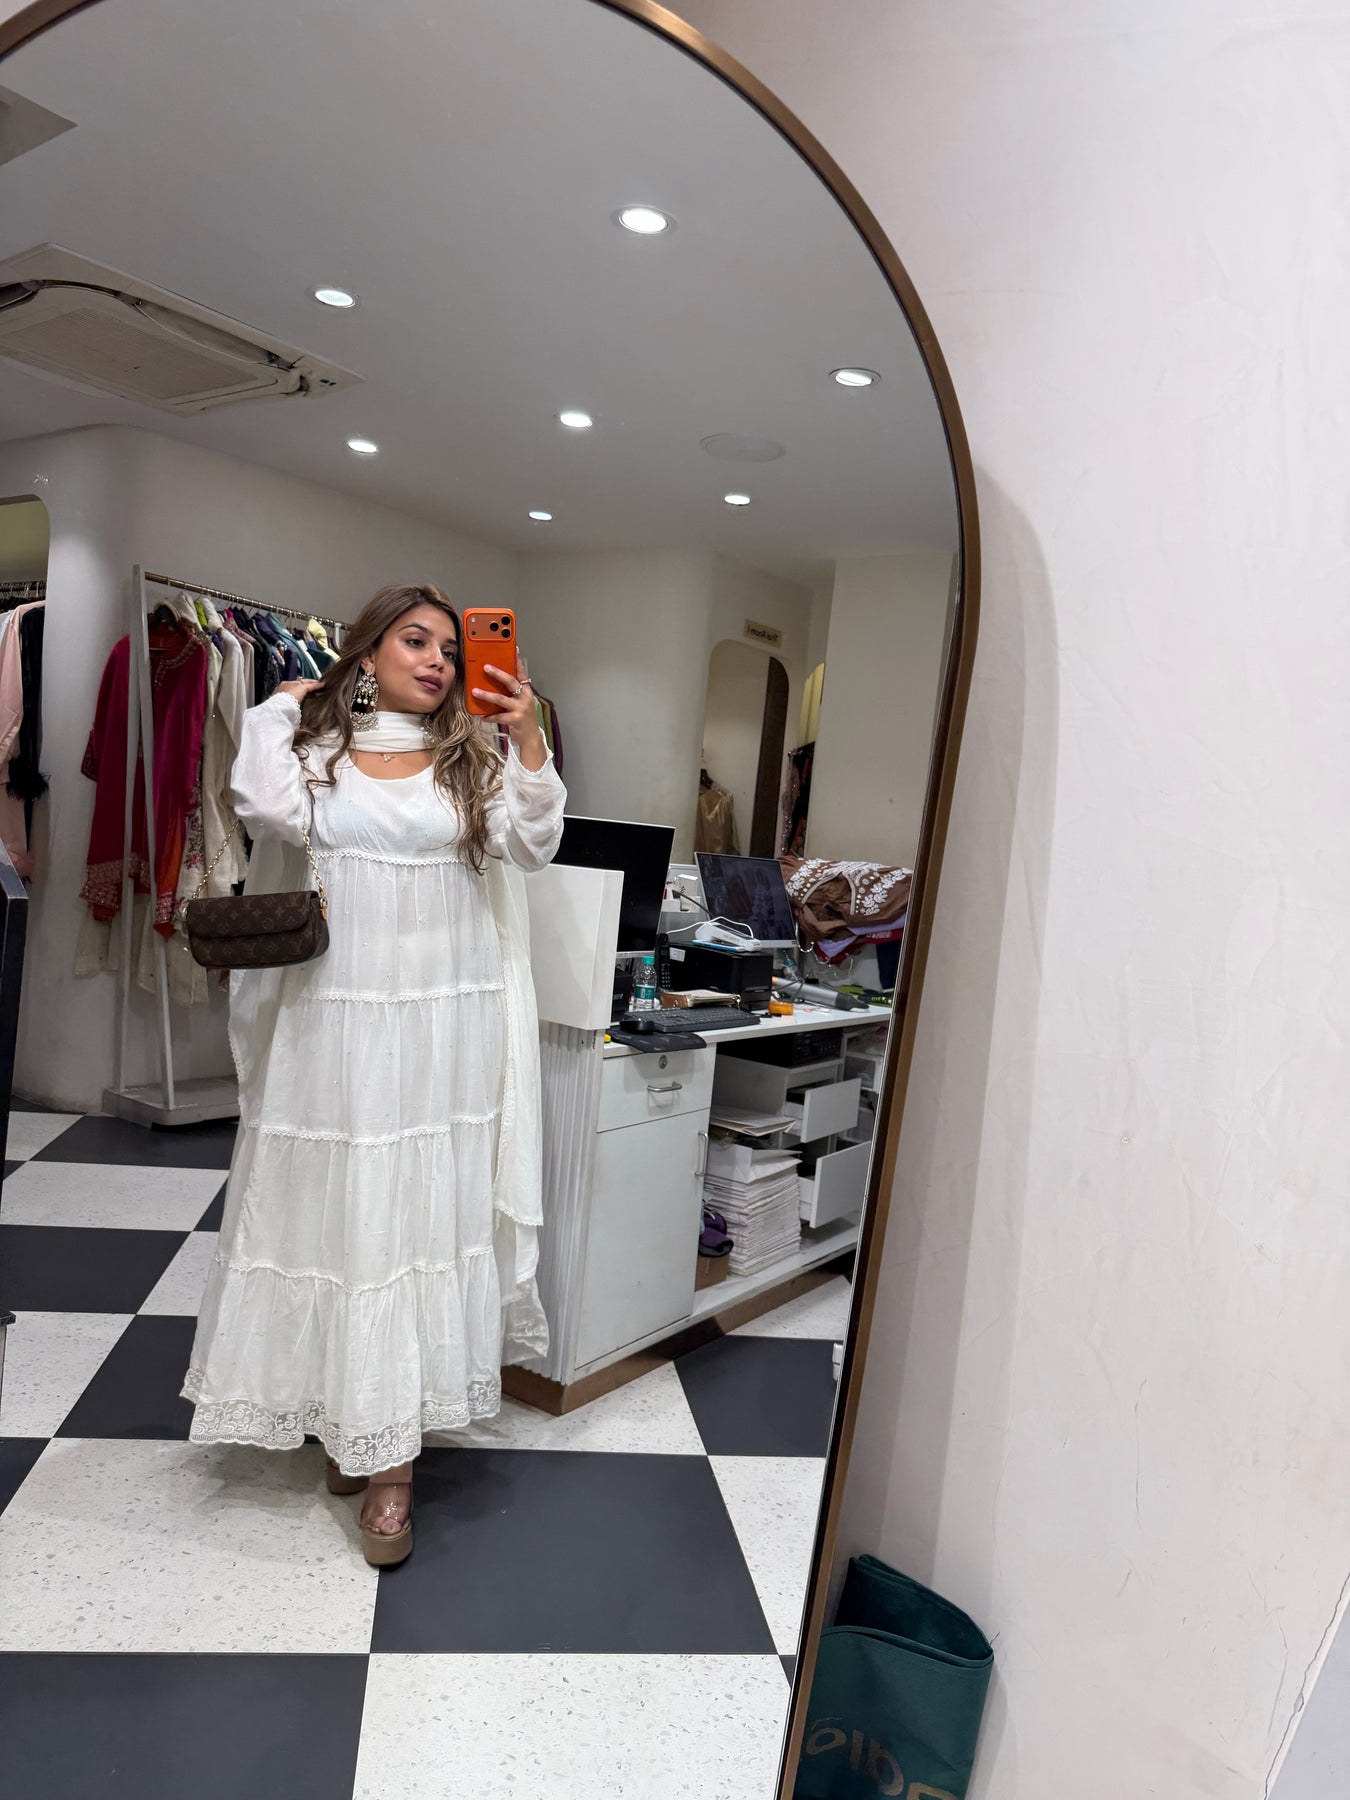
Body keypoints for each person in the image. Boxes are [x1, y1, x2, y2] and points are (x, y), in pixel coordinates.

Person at [182, 583, 564, 1566]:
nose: (437, 659)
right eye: (414, 640)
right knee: (340, 1218)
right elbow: (261, 806)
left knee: (411, 1226)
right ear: (367, 655)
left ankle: (391, 1466)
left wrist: (528, 738)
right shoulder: (319, 752)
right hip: (332, 1024)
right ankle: (350, 1417)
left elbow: (534, 844)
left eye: (449, 647)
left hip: (442, 1030)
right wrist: (282, 705)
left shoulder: (473, 758)